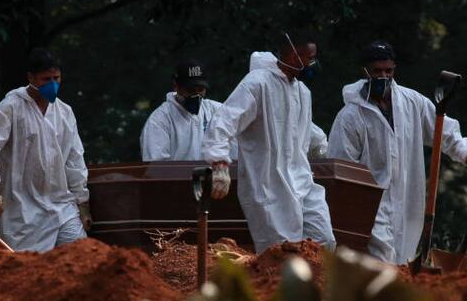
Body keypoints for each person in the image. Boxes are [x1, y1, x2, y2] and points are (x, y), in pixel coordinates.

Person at [327, 40, 467, 264]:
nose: (383, 76)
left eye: (388, 70)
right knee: (381, 263)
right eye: (377, 71)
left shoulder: (412, 102)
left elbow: (447, 133)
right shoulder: (351, 117)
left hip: (407, 201)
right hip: (369, 206)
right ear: (364, 71)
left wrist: (464, 152)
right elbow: (342, 170)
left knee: (404, 262)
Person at [201, 33, 335, 253]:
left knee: (324, 242)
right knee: (282, 253)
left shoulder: (302, 92)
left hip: (302, 181)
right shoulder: (257, 83)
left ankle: (315, 288)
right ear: (294, 55)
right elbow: (224, 121)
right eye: (309, 58)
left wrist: (325, 150)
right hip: (268, 185)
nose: (312, 64)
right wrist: (219, 163)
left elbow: (305, 130)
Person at [0, 48, 90, 252]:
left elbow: (74, 159)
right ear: (31, 77)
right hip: (22, 210)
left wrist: (82, 203)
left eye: (56, 78)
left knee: (81, 255)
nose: (52, 84)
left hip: (61, 205)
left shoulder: (65, 112)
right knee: (31, 272)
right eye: (45, 79)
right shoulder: (10, 108)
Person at [140, 59, 238, 161]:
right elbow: (157, 169)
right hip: (178, 177)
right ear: (175, 86)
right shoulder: (159, 121)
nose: (196, 95)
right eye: (190, 90)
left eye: (200, 90)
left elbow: (236, 155)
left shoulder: (217, 111)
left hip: (217, 176)